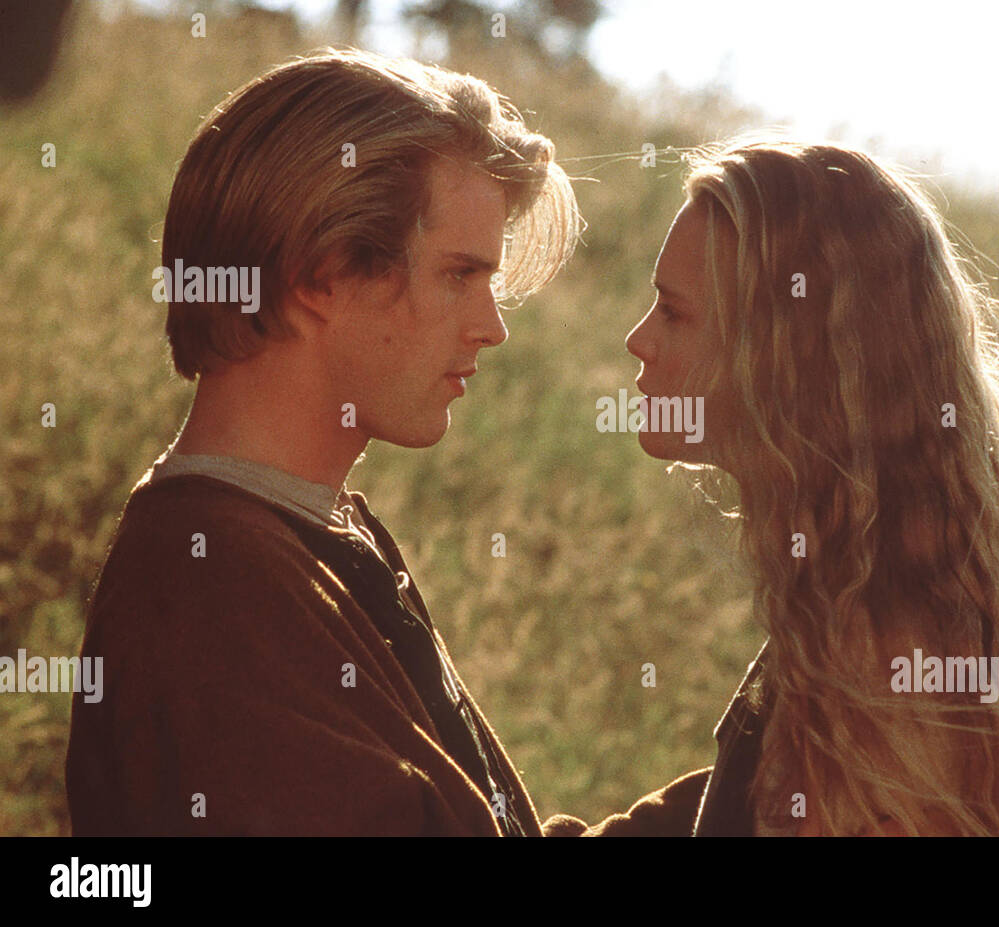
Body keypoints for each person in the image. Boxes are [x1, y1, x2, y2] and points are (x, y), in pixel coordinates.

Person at [66, 48, 706, 836]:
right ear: (321, 275)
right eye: (457, 276)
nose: (491, 327)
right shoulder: (212, 592)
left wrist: (772, 769)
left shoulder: (304, 535)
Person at [626, 137, 999, 836]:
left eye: (675, 311)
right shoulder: (876, 598)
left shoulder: (877, 667)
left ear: (784, 355)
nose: (639, 338)